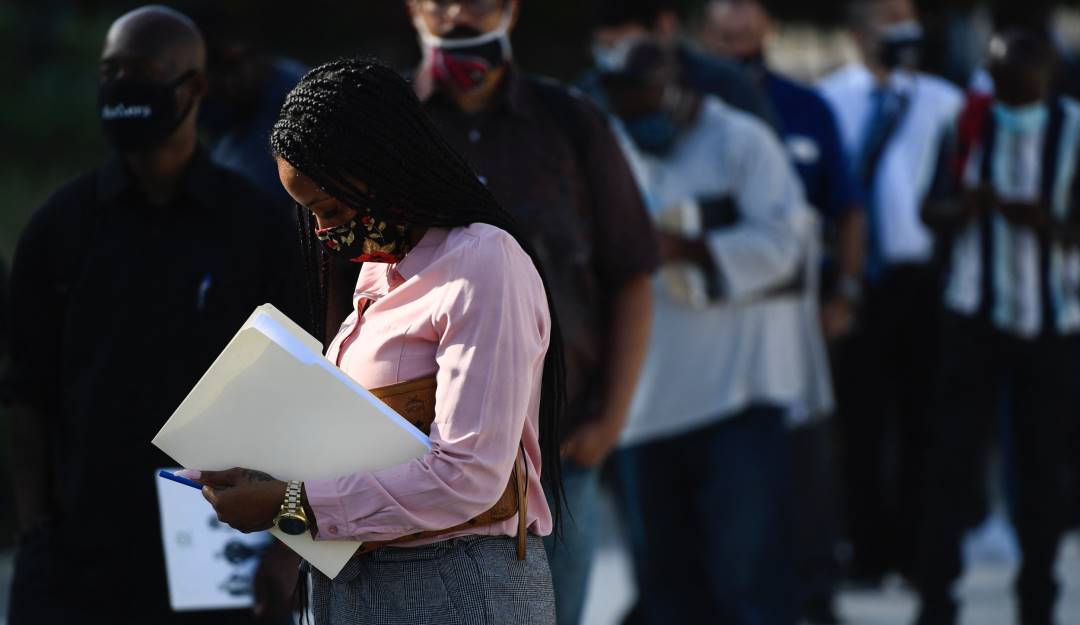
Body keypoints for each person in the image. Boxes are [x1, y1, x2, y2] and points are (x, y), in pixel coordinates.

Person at [179, 57, 567, 625]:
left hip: (458, 586)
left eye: (330, 210)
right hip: (357, 585)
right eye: (309, 215)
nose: (323, 234)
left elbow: (470, 475)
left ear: (384, 165)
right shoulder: (378, 275)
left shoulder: (483, 262)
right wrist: (267, 480)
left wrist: (293, 502)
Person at [4, 6, 303, 625]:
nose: (121, 85)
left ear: (194, 86)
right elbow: (23, 389)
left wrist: (287, 547)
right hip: (79, 558)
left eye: (142, 70)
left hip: (220, 556)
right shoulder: (61, 227)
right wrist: (34, 528)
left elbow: (301, 391)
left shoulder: (256, 227)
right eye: (110, 71)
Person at [403, 2, 659, 624]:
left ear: (512, 10)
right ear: (414, 7)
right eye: (441, 0)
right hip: (411, 455)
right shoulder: (390, 123)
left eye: (481, 0)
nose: (460, 13)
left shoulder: (573, 123)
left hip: (560, 455)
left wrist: (610, 422)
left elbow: (631, 273)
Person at [597, 35, 824, 625]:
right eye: (626, 109)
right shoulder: (610, 148)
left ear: (676, 89)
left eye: (646, 106)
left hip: (738, 399)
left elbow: (787, 250)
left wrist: (690, 247)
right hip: (644, 407)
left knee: (747, 581)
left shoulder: (740, 142)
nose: (638, 121)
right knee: (668, 588)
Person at [703, 1, 862, 622]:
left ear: (769, 21)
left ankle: (816, 594)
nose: (739, 22)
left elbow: (846, 207)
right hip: (714, 321)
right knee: (729, 470)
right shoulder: (688, 110)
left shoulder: (806, 105)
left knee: (807, 459)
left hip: (796, 314)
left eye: (750, 8)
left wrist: (846, 289)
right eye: (726, 10)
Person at [917, 29, 1080, 625]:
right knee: (951, 466)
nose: (1012, 97)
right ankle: (937, 601)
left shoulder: (1074, 129)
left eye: (1024, 85)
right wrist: (967, 207)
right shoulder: (966, 122)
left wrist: (1047, 224)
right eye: (1003, 84)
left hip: (1052, 320)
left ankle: (1037, 603)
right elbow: (927, 208)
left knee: (1042, 470)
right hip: (972, 315)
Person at [818, 0, 963, 584]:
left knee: (923, 419)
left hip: (919, 279)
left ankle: (918, 551)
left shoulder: (944, 100)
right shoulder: (831, 98)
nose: (898, 29)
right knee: (859, 422)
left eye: (906, 16)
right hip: (858, 279)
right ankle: (866, 549)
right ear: (858, 33)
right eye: (885, 17)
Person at [585, 0, 778, 131]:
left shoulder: (726, 85)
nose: (615, 59)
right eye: (605, 46)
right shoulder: (590, 94)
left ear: (665, 26)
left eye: (626, 48)